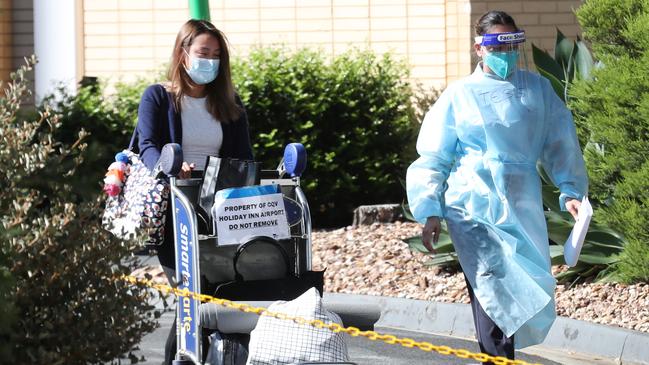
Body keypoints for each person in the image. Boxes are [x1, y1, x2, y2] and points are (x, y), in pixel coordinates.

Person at [406, 10, 588, 363]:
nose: (506, 54)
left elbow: (560, 141)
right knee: (490, 283)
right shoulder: (459, 95)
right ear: (479, 48)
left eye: (512, 45)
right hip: (471, 204)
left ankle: (500, 355)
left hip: (522, 203)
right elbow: (433, 156)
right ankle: (497, 358)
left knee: (524, 284)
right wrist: (429, 210)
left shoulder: (537, 90)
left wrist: (570, 192)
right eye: (497, 46)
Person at [135, 19, 253, 364]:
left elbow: (244, 156)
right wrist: (171, 166)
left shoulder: (229, 103)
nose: (210, 61)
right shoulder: (159, 96)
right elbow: (147, 146)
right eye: (203, 52)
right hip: (175, 211)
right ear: (182, 53)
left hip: (218, 211)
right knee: (192, 295)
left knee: (212, 296)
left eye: (217, 55)